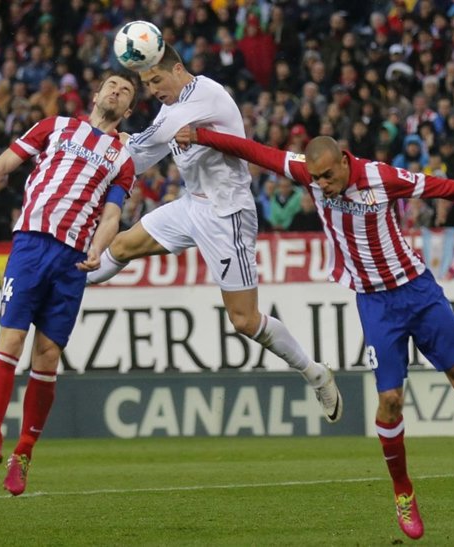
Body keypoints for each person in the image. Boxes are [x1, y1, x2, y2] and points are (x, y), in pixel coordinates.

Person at [176, 127, 454, 540]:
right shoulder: (306, 173)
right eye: (316, 179)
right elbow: (252, 150)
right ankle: (403, 492)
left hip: (418, 290)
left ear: (345, 162)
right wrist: (200, 134)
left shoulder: (382, 178)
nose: (322, 185)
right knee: (390, 401)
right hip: (375, 303)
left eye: (328, 176)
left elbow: (449, 188)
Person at [87, 45, 342, 423]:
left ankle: (314, 372)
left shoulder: (205, 94)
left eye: (156, 80)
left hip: (227, 214)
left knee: (244, 320)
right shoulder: (171, 107)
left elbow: (147, 143)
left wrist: (113, 140)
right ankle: (63, 282)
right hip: (192, 205)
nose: (153, 90)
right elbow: (141, 158)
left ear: (178, 69)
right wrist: (119, 149)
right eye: (147, 84)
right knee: (122, 245)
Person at [0, 72, 141, 496]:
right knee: (11, 339)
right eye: (112, 84)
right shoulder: (55, 126)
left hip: (73, 261)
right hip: (31, 244)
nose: (117, 91)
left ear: (128, 111)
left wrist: (99, 249)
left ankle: (23, 454)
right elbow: (2, 165)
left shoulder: (123, 160)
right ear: (96, 94)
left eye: (126, 91)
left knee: (48, 357)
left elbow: (111, 215)